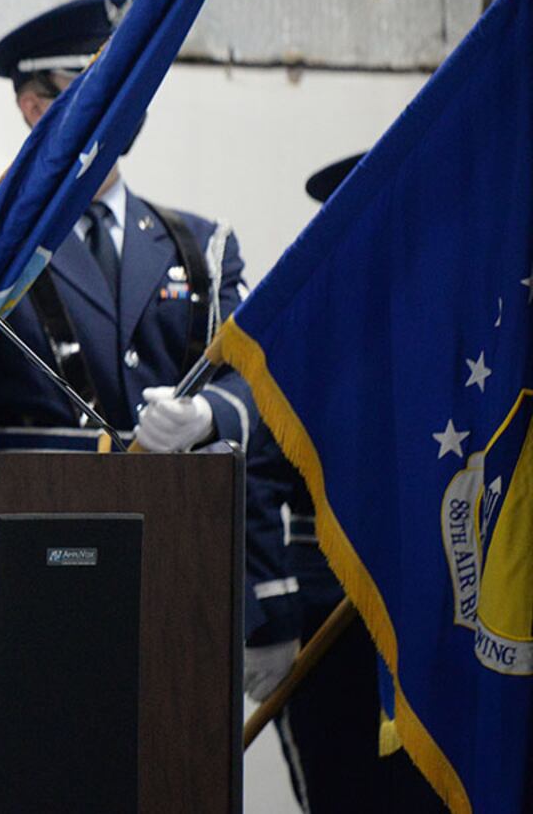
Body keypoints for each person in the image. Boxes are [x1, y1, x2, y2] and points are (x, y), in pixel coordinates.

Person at [0, 0, 255, 455]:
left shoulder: (202, 247)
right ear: (36, 108)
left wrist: (208, 414)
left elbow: (253, 371)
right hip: (45, 512)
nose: (126, 101)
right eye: (104, 85)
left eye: (134, 82)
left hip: (184, 511)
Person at [244, 153, 445, 812]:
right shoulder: (306, 343)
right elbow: (254, 476)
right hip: (330, 612)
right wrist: (269, 617)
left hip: (440, 614)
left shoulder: (468, 332)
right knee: (339, 789)